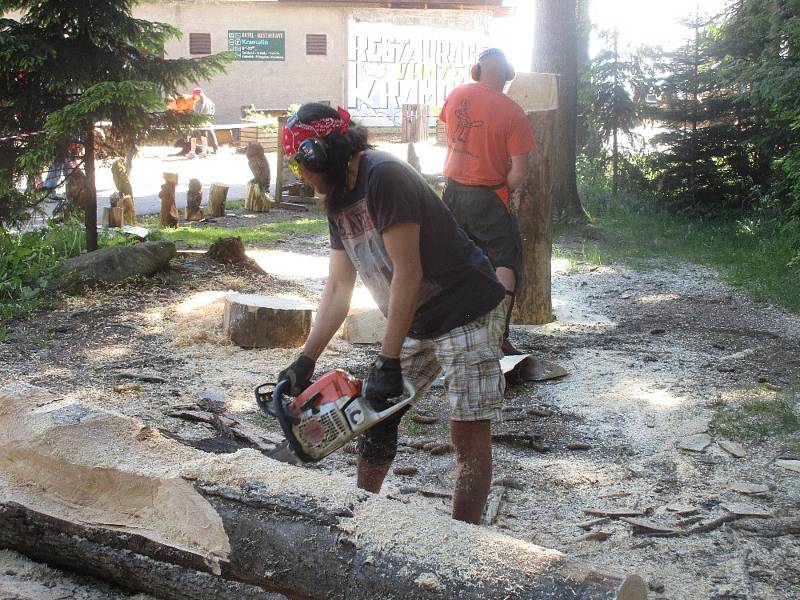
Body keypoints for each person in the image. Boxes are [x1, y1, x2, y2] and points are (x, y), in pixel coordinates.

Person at [277, 103, 507, 524]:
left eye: (299, 166)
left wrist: (388, 357)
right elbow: (337, 288)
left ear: (318, 154)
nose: (301, 176)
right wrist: (305, 360)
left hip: (466, 308)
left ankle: (466, 542)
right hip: (418, 316)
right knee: (375, 414)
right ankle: (361, 517)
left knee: (466, 429)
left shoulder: (383, 177)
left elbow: (409, 271)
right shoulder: (337, 200)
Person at [439, 48, 536, 356]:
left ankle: (451, 333)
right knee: (505, 262)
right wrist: (496, 187)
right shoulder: (513, 112)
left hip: (451, 194)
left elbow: (450, 138)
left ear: (475, 71)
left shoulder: (456, 95)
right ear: (507, 75)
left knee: (455, 262)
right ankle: (498, 337)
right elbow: (520, 171)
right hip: (488, 197)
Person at [186, 88, 217, 158]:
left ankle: (192, 152)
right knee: (204, 137)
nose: (194, 97)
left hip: (197, 122)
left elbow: (196, 114)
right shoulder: (208, 102)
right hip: (205, 122)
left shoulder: (198, 103)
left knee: (193, 137)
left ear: (197, 95)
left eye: (195, 95)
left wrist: (192, 121)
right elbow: (213, 108)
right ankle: (204, 152)